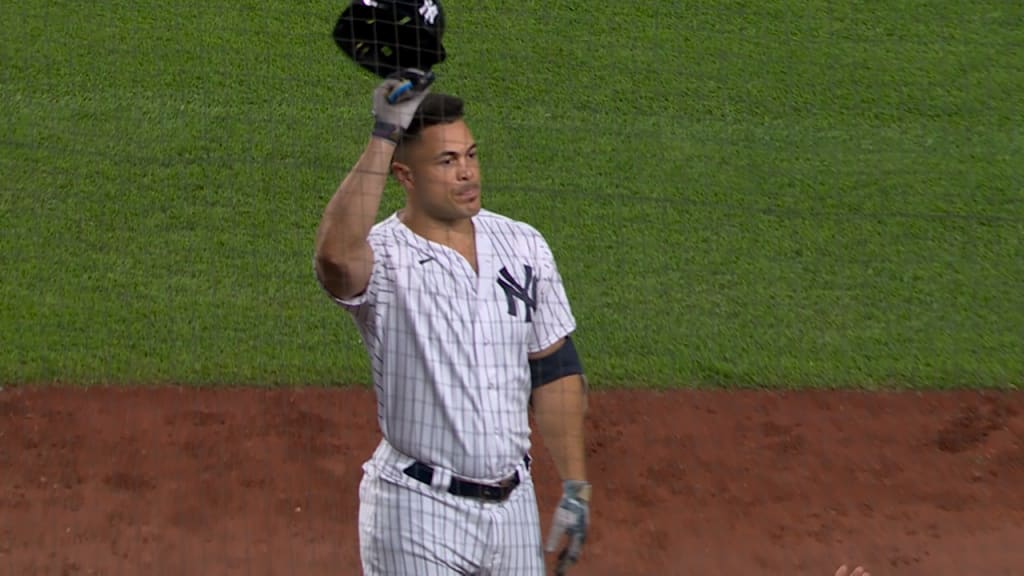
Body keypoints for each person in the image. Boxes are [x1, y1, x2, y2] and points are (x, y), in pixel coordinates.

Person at [314, 72, 591, 575]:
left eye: (471, 155)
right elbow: (334, 258)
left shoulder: (523, 244)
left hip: (514, 510)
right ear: (406, 176)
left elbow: (553, 368)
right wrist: (383, 133)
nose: (467, 173)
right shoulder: (384, 257)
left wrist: (575, 484)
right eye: (447, 161)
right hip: (418, 511)